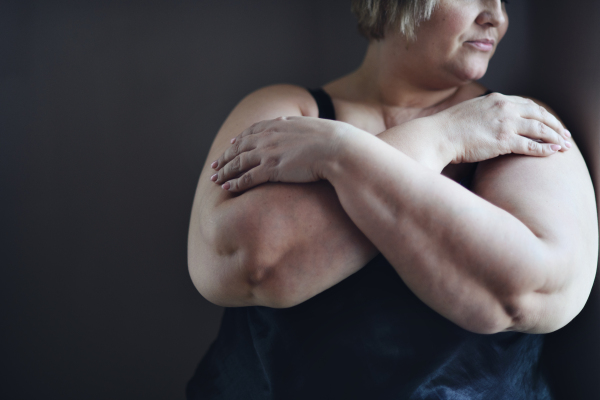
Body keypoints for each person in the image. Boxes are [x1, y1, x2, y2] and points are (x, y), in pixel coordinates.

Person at [186, 0, 598, 398]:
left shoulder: (513, 123)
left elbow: (521, 291)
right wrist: (437, 138)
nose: (496, 17)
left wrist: (339, 153)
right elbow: (253, 262)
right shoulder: (285, 108)